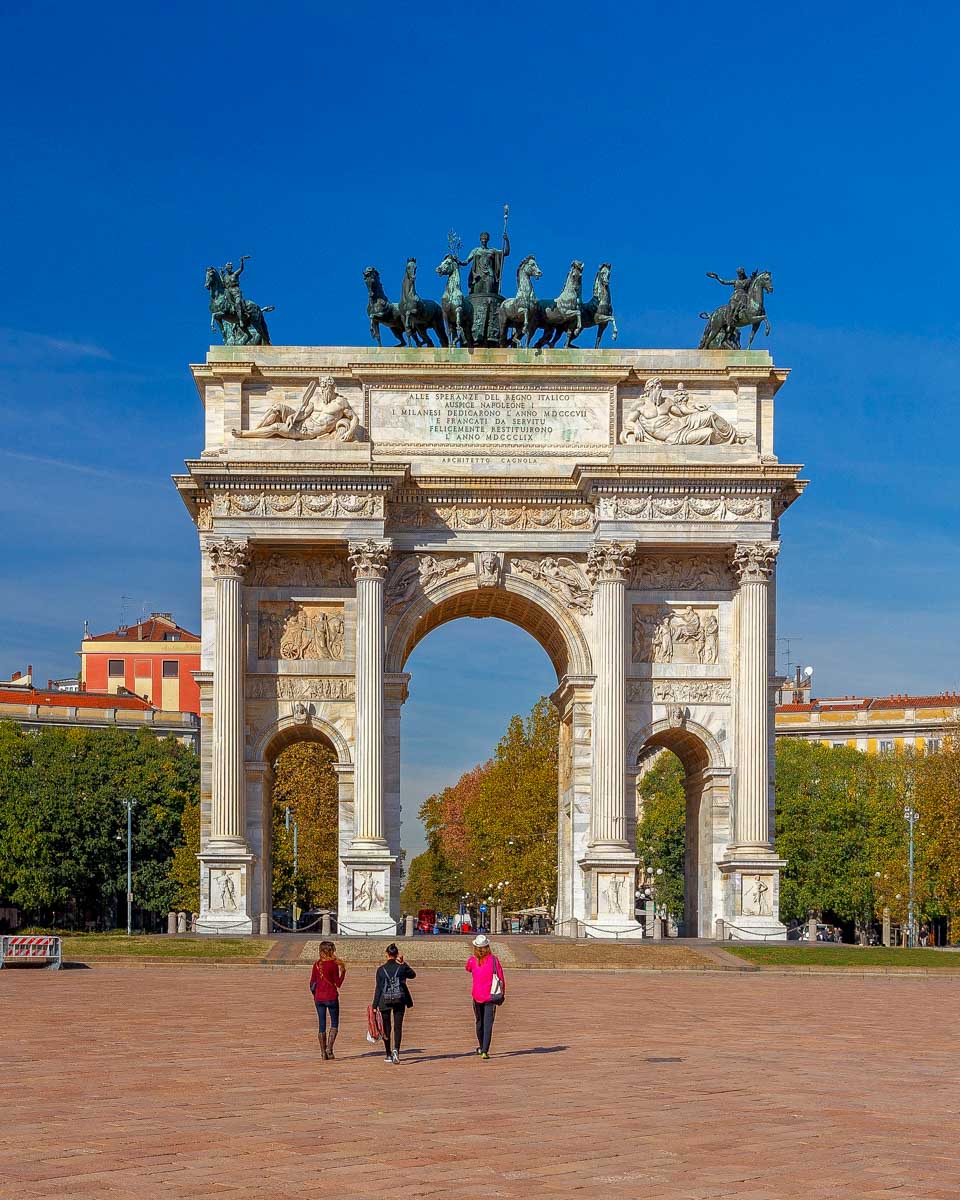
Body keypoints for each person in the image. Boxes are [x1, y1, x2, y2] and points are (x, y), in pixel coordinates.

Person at [373, 943, 416, 1064]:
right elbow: (413, 975)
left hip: (384, 1000)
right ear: (397, 955)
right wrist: (403, 963)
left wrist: (374, 1005)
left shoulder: (381, 970)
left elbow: (378, 988)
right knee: (398, 1026)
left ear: (386, 954)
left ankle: (388, 1054)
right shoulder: (401, 968)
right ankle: (396, 1049)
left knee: (386, 1027)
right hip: (399, 998)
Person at [465, 933, 505, 1060]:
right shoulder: (494, 960)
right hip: (491, 996)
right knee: (488, 1023)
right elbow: (500, 977)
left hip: (477, 995)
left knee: (479, 1022)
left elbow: (468, 968)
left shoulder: (472, 960)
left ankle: (481, 1045)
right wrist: (502, 993)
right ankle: (485, 1050)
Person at [309, 940, 346, 1060]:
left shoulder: (316, 965)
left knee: (321, 1024)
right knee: (334, 1023)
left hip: (319, 998)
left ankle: (322, 1052)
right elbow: (338, 983)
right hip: (331, 997)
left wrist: (315, 994)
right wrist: (343, 971)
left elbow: (312, 983)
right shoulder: (334, 965)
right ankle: (329, 1049)